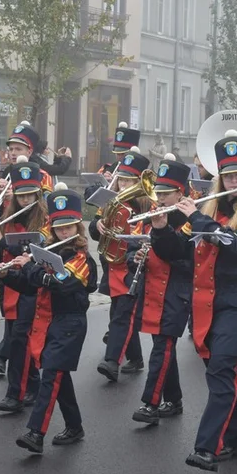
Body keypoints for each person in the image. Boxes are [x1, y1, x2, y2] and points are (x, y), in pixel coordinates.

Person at [150, 130, 237, 473]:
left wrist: (196, 218)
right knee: (217, 373)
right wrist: (161, 228)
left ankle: (206, 447)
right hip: (208, 303)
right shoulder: (210, 208)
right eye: (228, 174)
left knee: (221, 371)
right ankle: (233, 440)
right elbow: (178, 252)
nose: (233, 179)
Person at [13, 186, 97, 453]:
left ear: (78, 229)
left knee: (51, 375)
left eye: (70, 227)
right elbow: (32, 286)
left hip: (70, 323)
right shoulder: (48, 254)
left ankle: (36, 433)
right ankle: (75, 426)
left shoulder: (82, 259)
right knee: (58, 374)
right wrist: (6, 275)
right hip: (50, 321)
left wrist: (31, 268)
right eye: (59, 228)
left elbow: (61, 283)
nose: (64, 233)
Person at [0, 159, 49, 413]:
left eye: (30, 195)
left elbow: (34, 253)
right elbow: (4, 254)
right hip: (10, 287)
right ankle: (32, 386)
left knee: (21, 340)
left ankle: (15, 393)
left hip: (30, 287)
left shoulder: (44, 223)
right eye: (21, 196)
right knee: (17, 341)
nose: (26, 201)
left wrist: (3, 241)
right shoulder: (9, 219)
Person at [130, 155, 193, 426]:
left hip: (177, 291)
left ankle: (150, 403)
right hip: (153, 290)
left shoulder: (189, 221)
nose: (162, 198)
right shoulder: (154, 218)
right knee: (163, 346)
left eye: (168, 193)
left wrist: (161, 233)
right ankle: (174, 399)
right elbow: (139, 245)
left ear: (181, 193)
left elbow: (181, 257)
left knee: (163, 346)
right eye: (160, 193)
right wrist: (139, 256)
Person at [92, 150, 152, 382]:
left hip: (131, 268)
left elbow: (145, 239)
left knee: (122, 316)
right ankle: (135, 358)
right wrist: (97, 225)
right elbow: (94, 233)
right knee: (118, 313)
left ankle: (111, 361)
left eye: (129, 180)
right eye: (123, 179)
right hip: (112, 267)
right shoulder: (111, 201)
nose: (124, 184)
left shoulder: (146, 209)